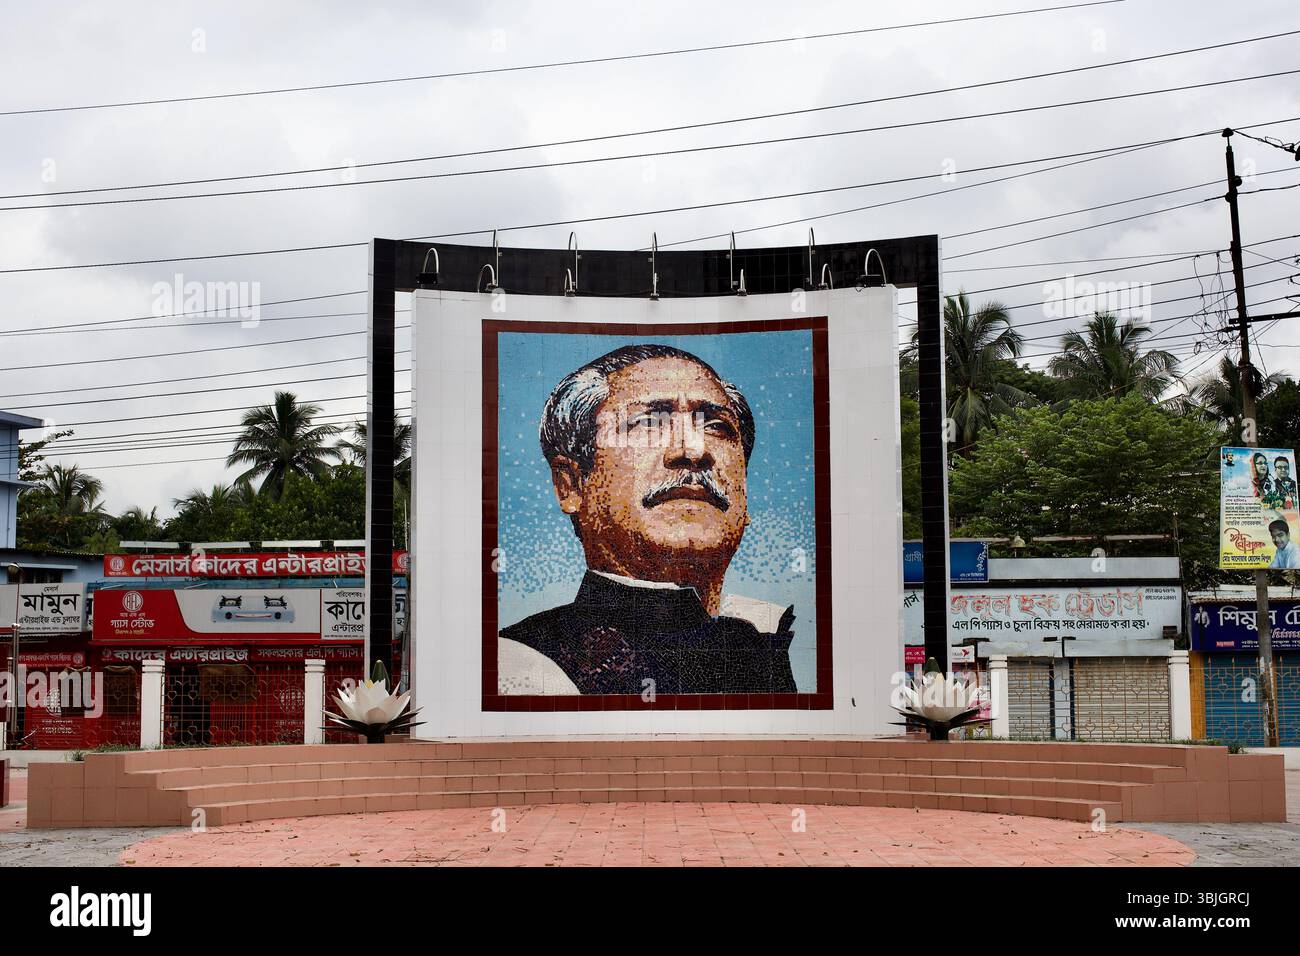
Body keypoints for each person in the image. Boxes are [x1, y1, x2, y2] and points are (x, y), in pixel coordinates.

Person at [498, 343, 797, 695]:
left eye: (716, 426)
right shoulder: (522, 662)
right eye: (648, 422)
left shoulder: (765, 640)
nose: (693, 450)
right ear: (572, 485)